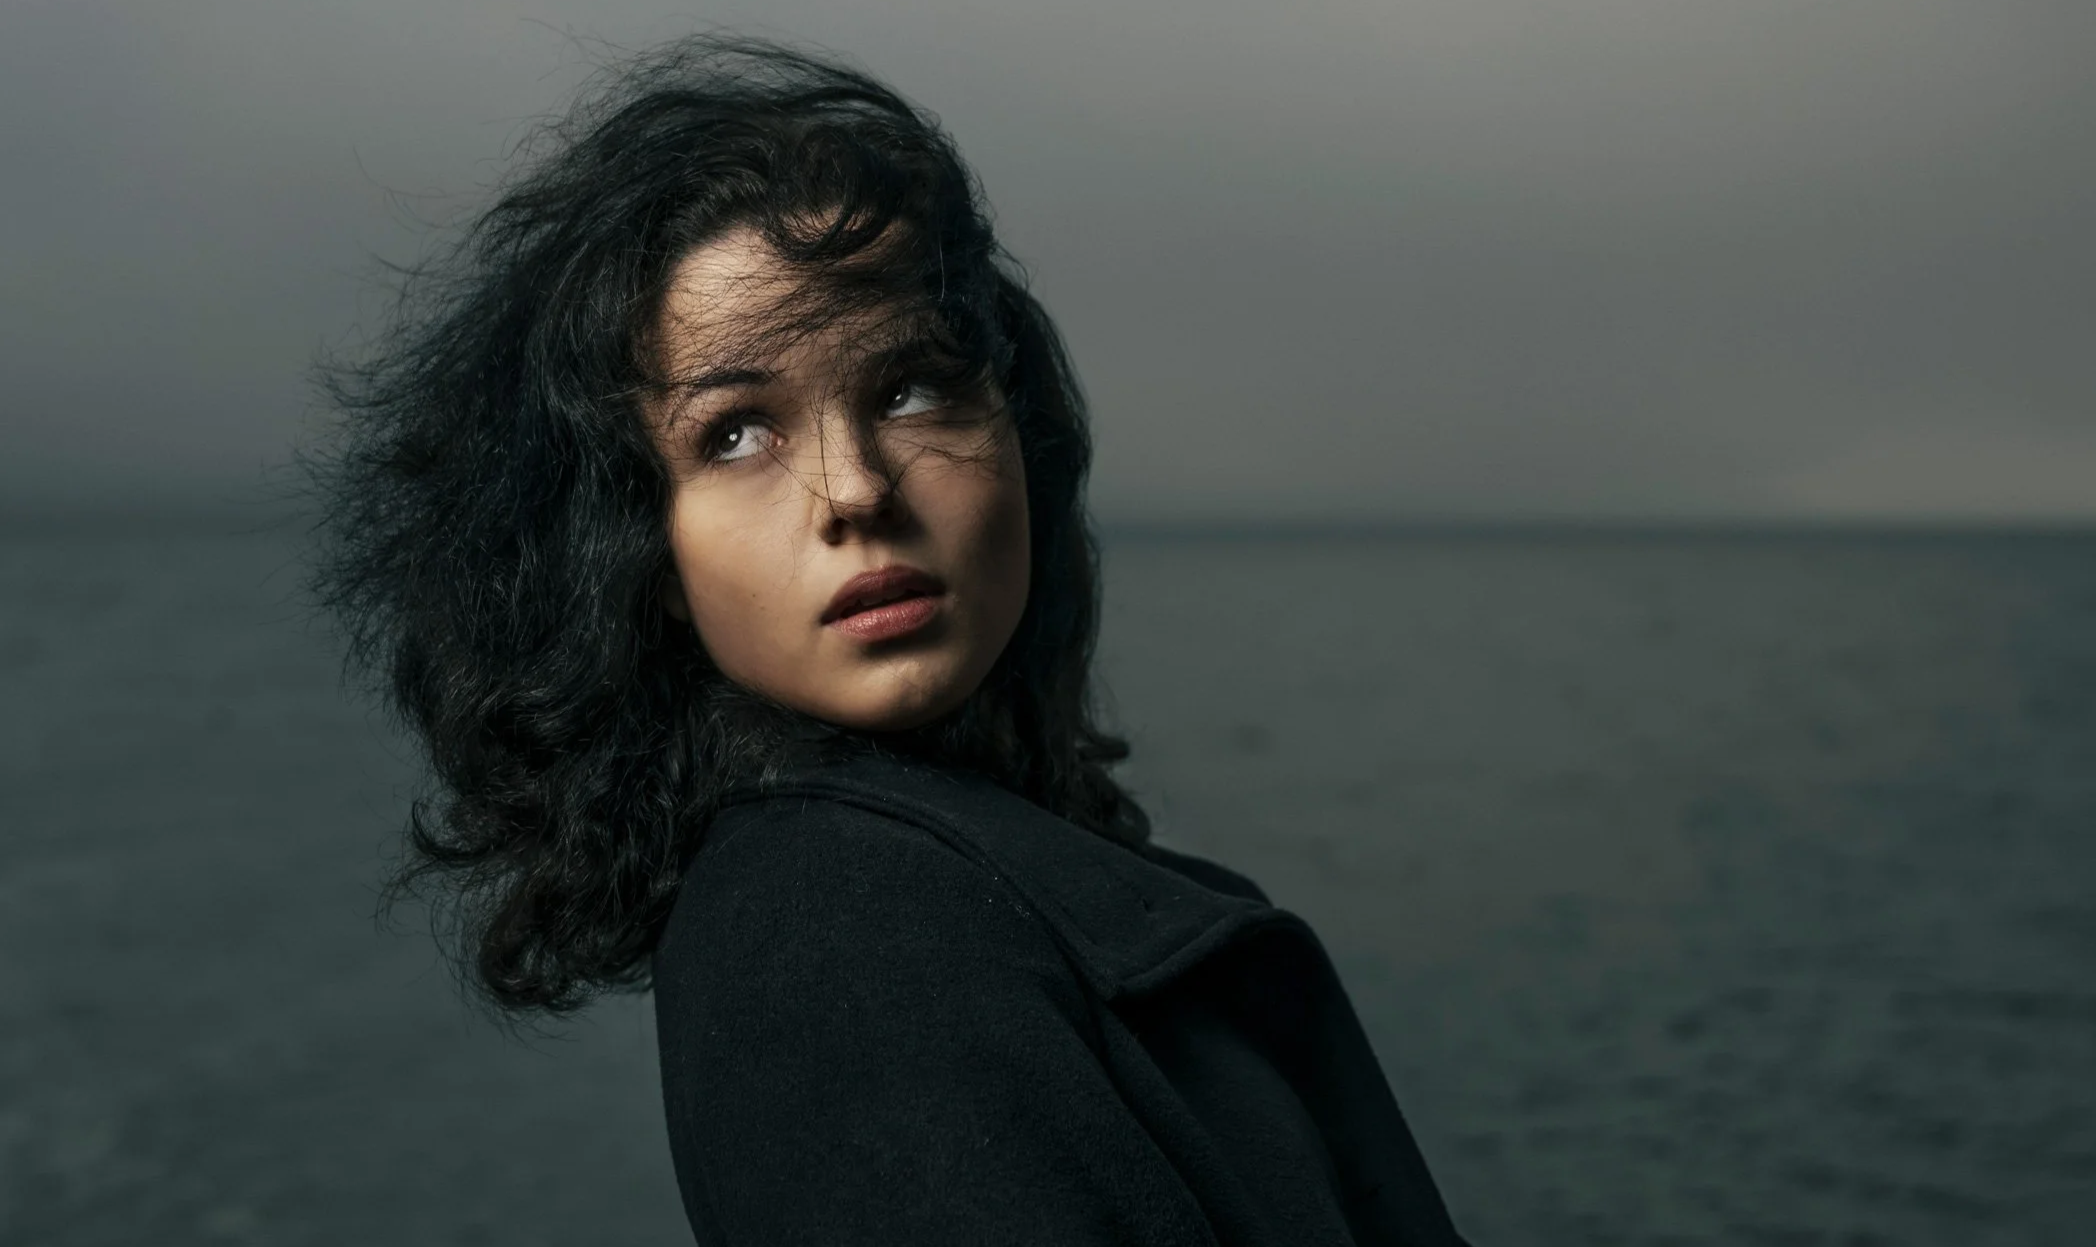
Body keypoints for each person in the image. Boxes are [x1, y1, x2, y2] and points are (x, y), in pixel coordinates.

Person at [309, 33, 1470, 1246]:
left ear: (1021, 436)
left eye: (911, 387)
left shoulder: (927, 879)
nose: (853, 486)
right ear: (642, 556)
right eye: (736, 435)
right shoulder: (845, 924)